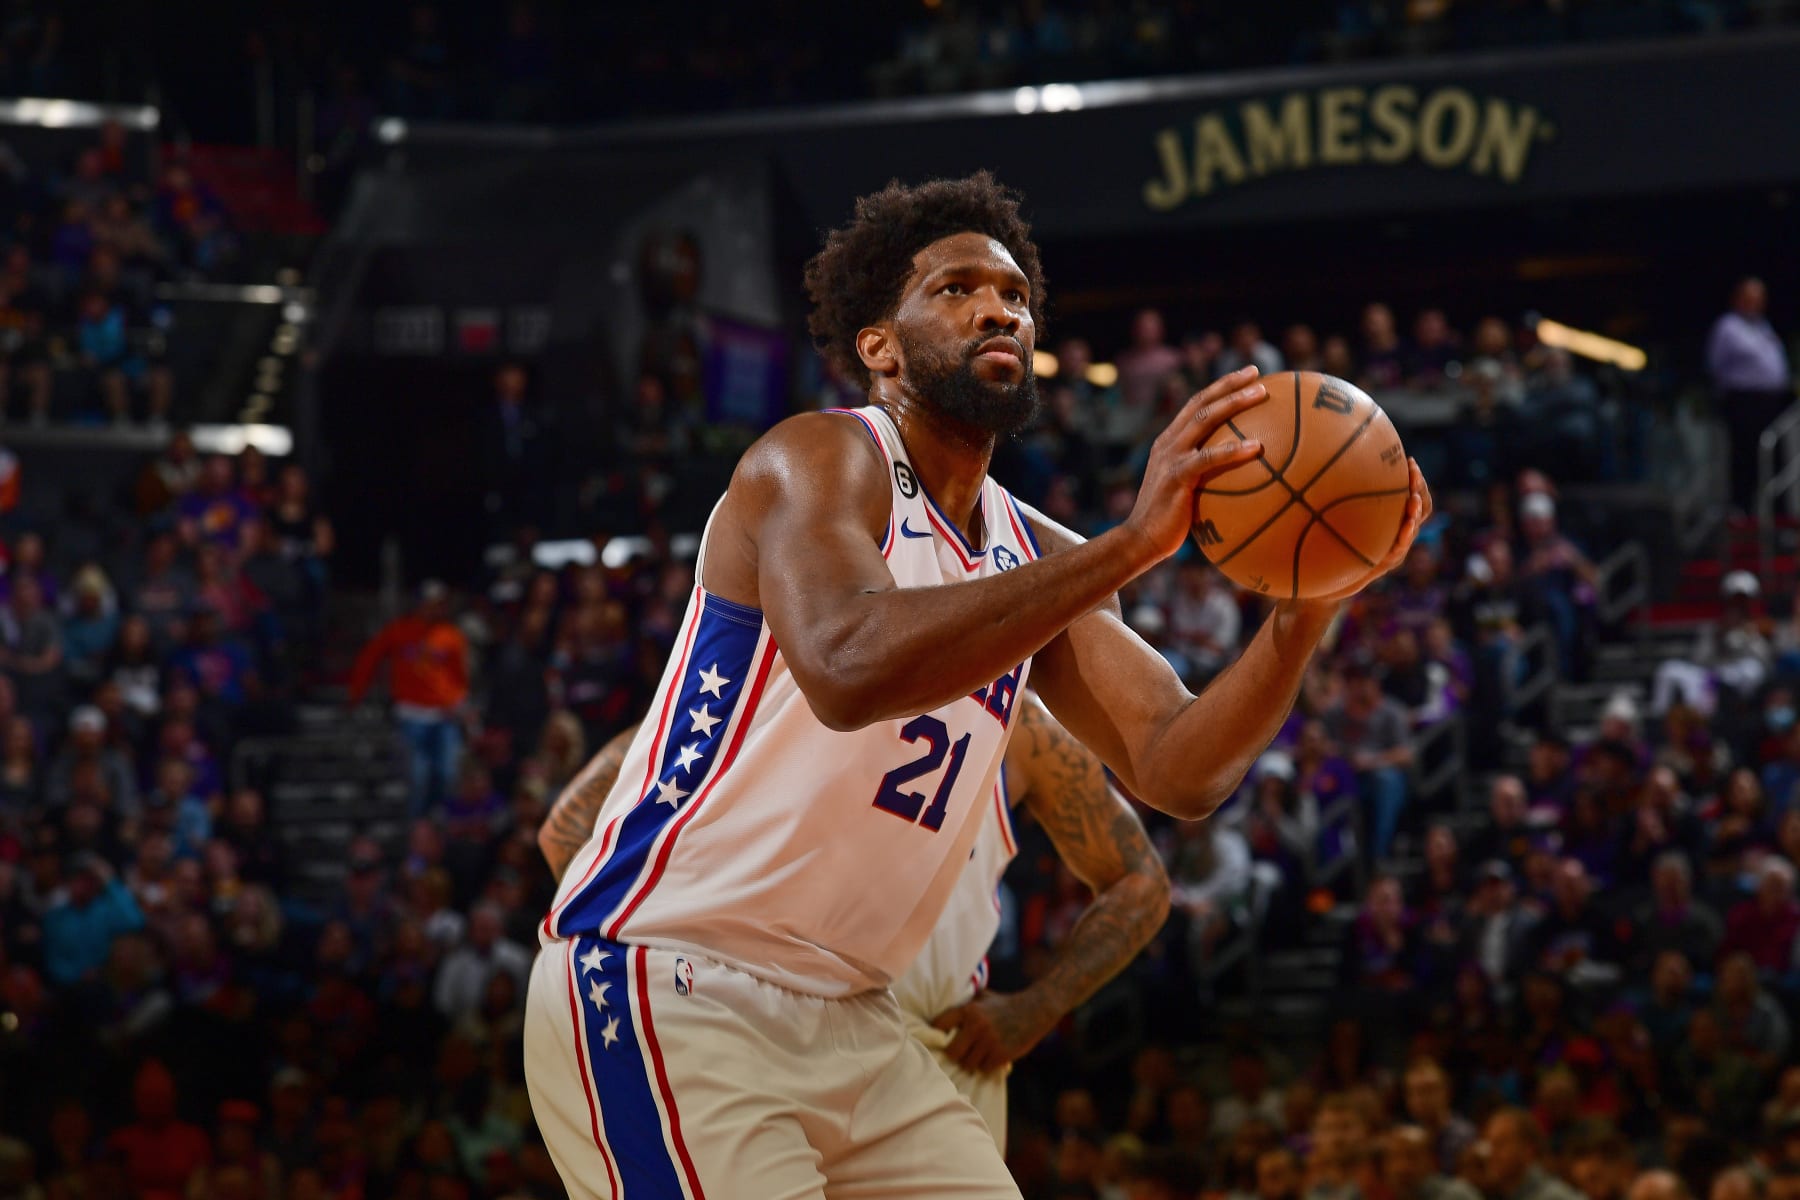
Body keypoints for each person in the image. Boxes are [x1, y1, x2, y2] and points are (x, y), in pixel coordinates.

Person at [521, 173, 1427, 1198]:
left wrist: (1307, 605)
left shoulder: (1035, 551)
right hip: (671, 983)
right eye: (955, 289)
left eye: (1013, 294)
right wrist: (1135, 544)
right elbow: (848, 666)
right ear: (881, 345)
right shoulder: (818, 457)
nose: (998, 307)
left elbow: (1181, 765)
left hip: (857, 1019)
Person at [537, 692, 1169, 1154]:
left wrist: (1036, 1009)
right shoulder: (771, 683)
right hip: (772, 1023)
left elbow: (1142, 882)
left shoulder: (1024, 724)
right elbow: (567, 831)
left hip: (938, 1048)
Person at [347, 580, 471, 815]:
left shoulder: (451, 636)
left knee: (447, 773)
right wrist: (356, 694)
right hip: (411, 714)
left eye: (439, 604)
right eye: (430, 603)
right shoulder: (400, 630)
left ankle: (439, 827)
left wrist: (460, 704)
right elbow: (369, 658)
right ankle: (417, 831)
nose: (435, 609)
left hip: (444, 715)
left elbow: (460, 677)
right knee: (417, 776)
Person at [1708, 277, 1792, 514]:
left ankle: (1779, 513)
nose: (1756, 302)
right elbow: (1716, 365)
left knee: (1775, 456)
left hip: (1772, 401)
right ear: (1738, 299)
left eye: (1760, 297)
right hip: (1744, 400)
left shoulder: (1764, 327)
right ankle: (1741, 508)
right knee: (1745, 456)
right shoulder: (1728, 327)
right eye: (1751, 297)